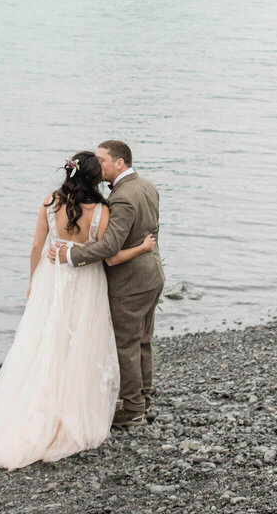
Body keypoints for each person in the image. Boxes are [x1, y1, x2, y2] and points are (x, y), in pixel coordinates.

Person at [0, 150, 156, 470]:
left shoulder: (50, 202)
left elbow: (37, 247)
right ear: (96, 178)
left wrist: (31, 281)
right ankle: (80, 408)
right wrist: (143, 248)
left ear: (70, 173)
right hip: (86, 282)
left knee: (44, 341)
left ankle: (36, 408)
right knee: (82, 342)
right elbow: (109, 256)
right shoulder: (101, 210)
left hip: (52, 279)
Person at [49, 140, 164, 427]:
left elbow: (109, 247)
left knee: (126, 345)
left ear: (119, 163)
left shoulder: (123, 197)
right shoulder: (147, 185)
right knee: (143, 342)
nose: (97, 165)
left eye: (102, 160)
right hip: (152, 275)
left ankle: (133, 409)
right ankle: (145, 401)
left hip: (130, 281)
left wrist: (70, 254)